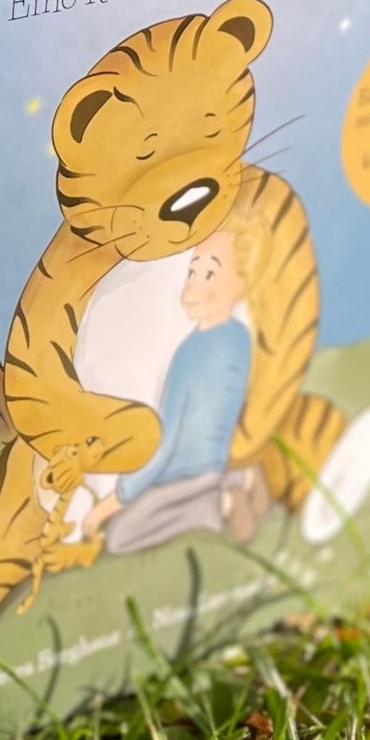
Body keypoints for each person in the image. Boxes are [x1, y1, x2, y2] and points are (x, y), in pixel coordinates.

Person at [99, 228, 265, 555]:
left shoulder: (189, 353)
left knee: (119, 536)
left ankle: (217, 505)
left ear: (239, 283)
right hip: (219, 463)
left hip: (186, 476)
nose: (191, 285)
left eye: (209, 274)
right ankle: (238, 479)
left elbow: (167, 442)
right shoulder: (240, 338)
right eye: (192, 272)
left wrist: (113, 501)